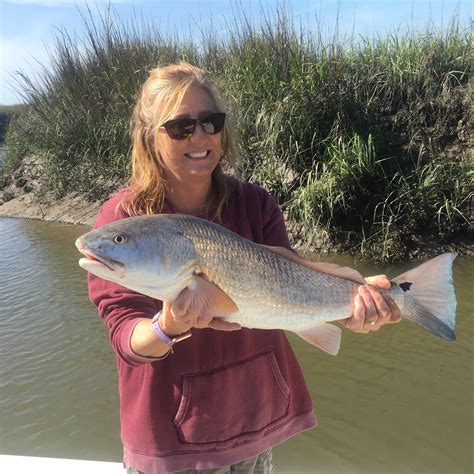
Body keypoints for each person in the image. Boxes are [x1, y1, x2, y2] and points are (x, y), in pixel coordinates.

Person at [87, 62, 401, 474]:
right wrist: (168, 325)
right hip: (174, 442)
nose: (199, 137)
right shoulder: (121, 219)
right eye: (180, 127)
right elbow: (127, 338)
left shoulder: (255, 204)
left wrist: (353, 304)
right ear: (149, 136)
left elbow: (292, 281)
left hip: (255, 420)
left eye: (210, 122)